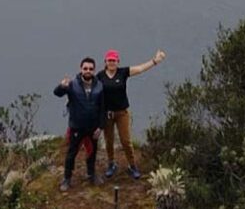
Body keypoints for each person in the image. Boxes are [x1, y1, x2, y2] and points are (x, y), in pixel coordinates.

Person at [97, 48, 165, 180]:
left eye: (114, 60)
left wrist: (155, 61)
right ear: (105, 62)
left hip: (122, 113)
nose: (111, 62)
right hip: (107, 114)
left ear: (118, 61)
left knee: (126, 141)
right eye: (109, 60)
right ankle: (111, 164)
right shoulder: (100, 76)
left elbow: (139, 69)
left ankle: (132, 166)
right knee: (108, 141)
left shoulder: (123, 72)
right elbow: (87, 84)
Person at [54, 56, 105, 191]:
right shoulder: (72, 84)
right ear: (81, 69)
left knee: (92, 152)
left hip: (93, 127)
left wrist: (101, 127)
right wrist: (61, 86)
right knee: (71, 153)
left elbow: (102, 108)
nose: (88, 71)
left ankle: (91, 174)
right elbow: (57, 93)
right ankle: (67, 178)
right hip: (77, 126)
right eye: (85, 68)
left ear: (94, 70)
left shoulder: (99, 85)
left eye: (91, 69)